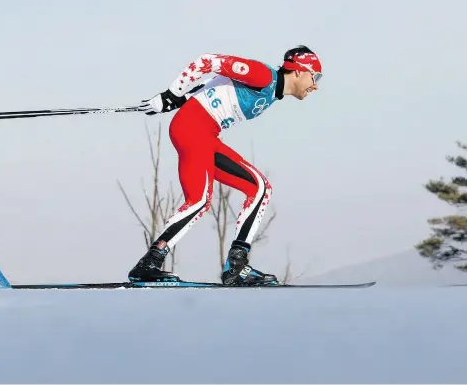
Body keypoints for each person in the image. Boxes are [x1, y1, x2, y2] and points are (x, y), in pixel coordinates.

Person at [129, 45, 323, 285]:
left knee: (259, 188)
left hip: (205, 134)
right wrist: (172, 93)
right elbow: (207, 61)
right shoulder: (263, 75)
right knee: (199, 200)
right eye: (316, 76)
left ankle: (237, 266)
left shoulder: (272, 92)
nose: (316, 85)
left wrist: (181, 99)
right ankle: (149, 263)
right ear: (298, 71)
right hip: (193, 129)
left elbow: (217, 86)